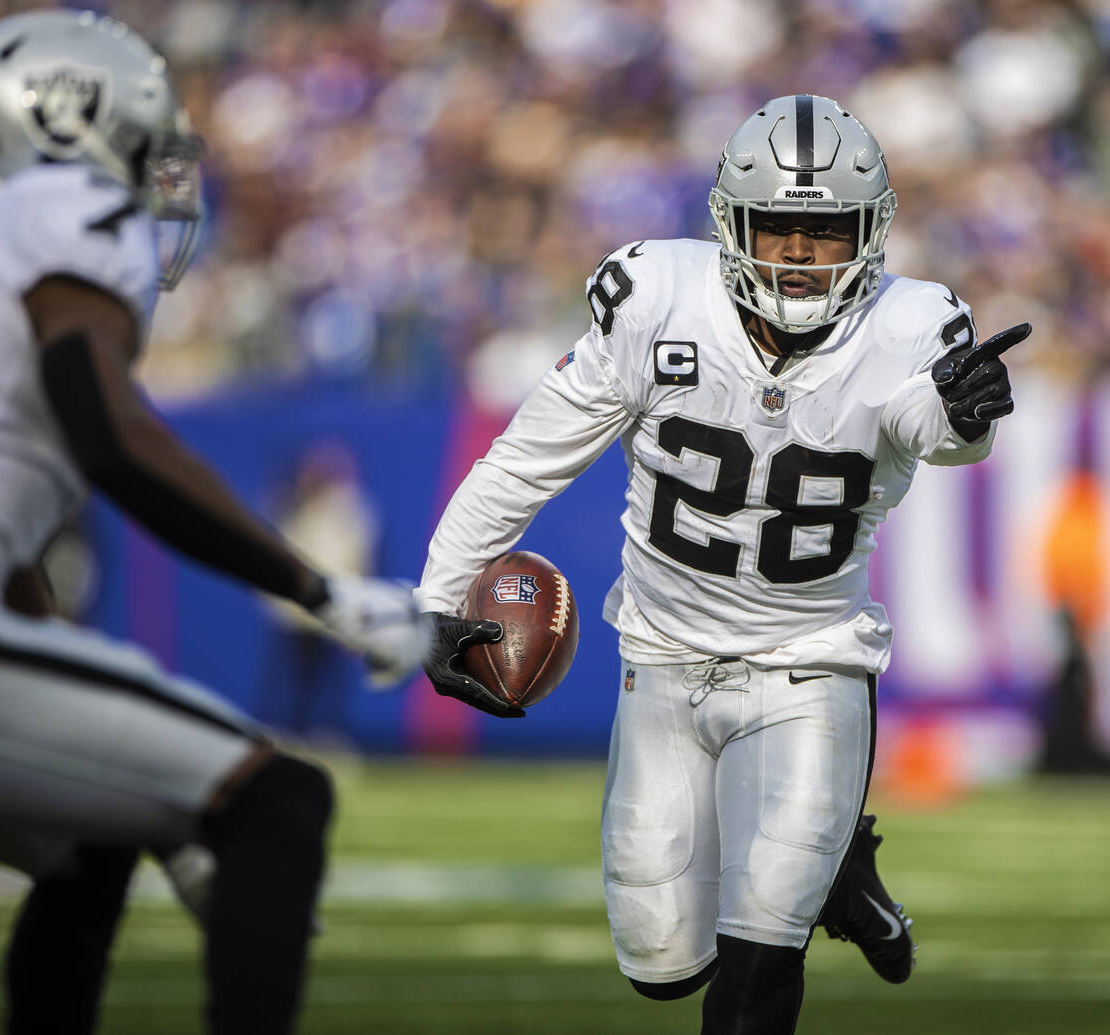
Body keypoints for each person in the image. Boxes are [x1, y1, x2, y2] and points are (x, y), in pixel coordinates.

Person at [419, 94, 1026, 1034]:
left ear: (868, 233)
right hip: (658, 658)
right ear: (728, 223)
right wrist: (431, 599)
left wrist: (964, 415)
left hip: (811, 661)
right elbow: (522, 461)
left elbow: (931, 428)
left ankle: (811, 877)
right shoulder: (655, 298)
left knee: (755, 964)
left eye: (822, 232)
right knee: (662, 969)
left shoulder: (912, 325)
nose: (794, 252)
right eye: (777, 226)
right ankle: (841, 873)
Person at [0, 10, 429, 1035]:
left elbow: (10, 578)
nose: (159, 178)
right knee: (281, 799)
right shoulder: (57, 209)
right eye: (145, 143)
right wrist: (320, 590)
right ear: (66, 120)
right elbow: (111, 432)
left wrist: (168, 796)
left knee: (90, 829)